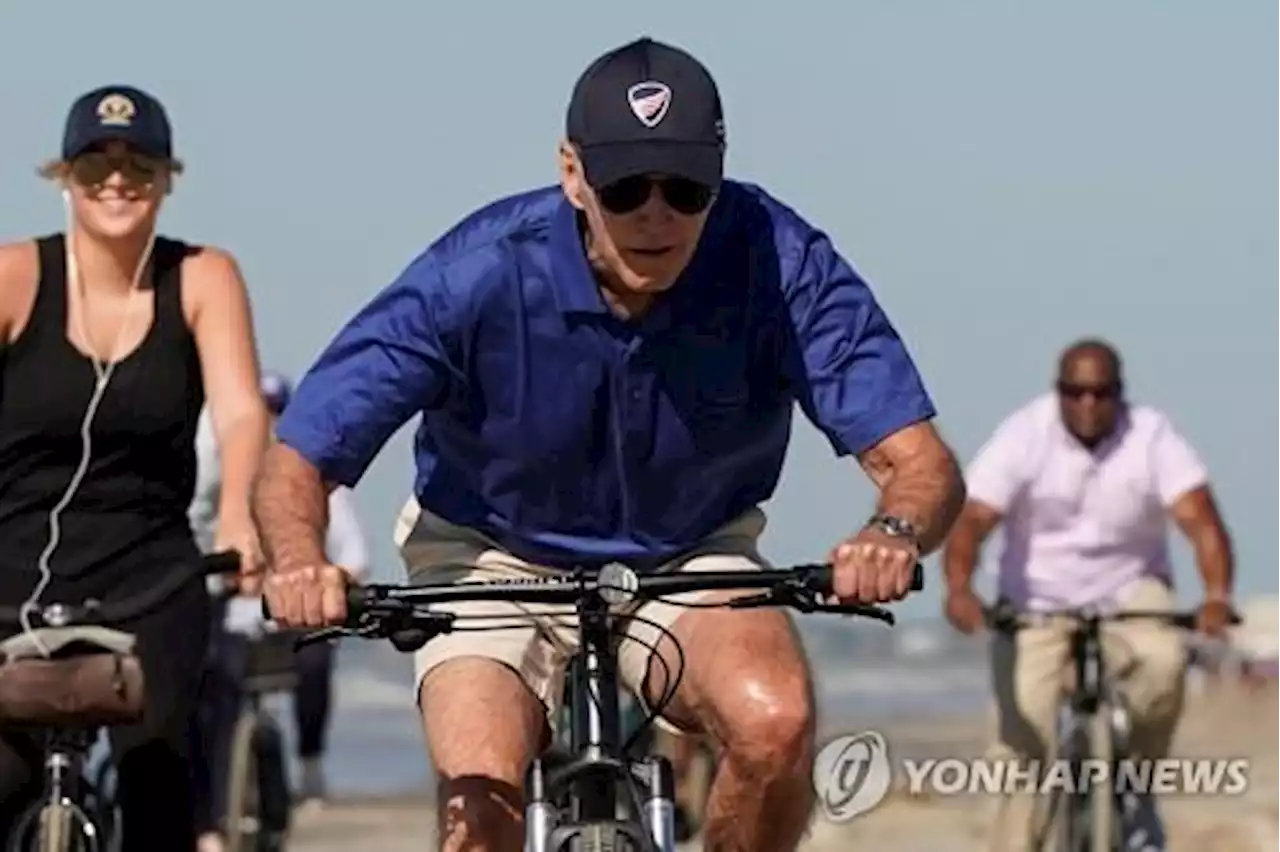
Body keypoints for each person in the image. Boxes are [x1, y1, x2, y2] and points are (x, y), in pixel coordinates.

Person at [253, 36, 966, 852]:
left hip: (691, 553)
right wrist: (297, 559)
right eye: (625, 187)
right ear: (572, 173)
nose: (656, 214)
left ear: (719, 175)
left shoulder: (780, 259)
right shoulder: (474, 274)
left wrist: (893, 533)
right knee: (480, 813)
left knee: (776, 726)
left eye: (687, 188)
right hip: (491, 554)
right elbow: (300, 456)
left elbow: (919, 465)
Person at [0, 85, 267, 849]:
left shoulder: (204, 277)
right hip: (12, 570)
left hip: (148, 576)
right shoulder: (16, 275)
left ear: (166, 179)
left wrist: (240, 515)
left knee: (159, 780)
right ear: (65, 178)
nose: (117, 181)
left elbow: (242, 411)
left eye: (138, 166)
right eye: (96, 167)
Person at [941, 338, 1236, 852]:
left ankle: (1135, 786)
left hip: (1131, 594)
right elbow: (973, 522)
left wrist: (1216, 595)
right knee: (1021, 749)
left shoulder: (1151, 436)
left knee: (1165, 664)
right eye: (1075, 392)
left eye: (1101, 393)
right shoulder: (1024, 435)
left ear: (1120, 393)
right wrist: (960, 589)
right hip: (1036, 600)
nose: (1088, 405)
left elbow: (1202, 523)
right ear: (1058, 392)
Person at [189, 371, 370, 852]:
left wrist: (316, 577)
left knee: (315, 661)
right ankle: (207, 811)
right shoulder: (211, 467)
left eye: (275, 411)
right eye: (261, 409)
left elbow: (354, 557)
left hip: (288, 620)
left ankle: (309, 760)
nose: (268, 420)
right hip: (225, 606)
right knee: (209, 682)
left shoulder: (314, 482)